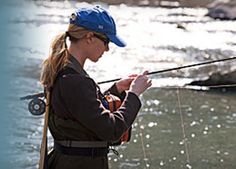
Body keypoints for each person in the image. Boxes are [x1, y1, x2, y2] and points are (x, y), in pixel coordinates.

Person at [40, 5, 152, 169]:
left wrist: (117, 89)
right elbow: (111, 130)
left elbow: (83, 112)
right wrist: (134, 95)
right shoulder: (74, 80)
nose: (107, 49)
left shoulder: (63, 71)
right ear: (90, 37)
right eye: (106, 41)